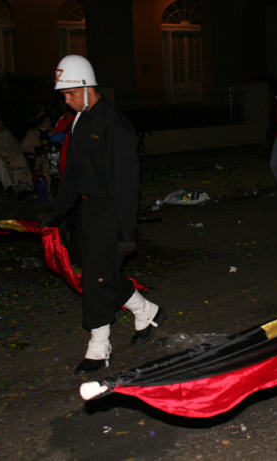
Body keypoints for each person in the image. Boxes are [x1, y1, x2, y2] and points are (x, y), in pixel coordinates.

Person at [37, 54, 165, 376]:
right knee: (102, 271)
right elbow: (73, 177)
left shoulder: (113, 124)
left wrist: (127, 234)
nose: (66, 101)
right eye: (63, 95)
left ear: (86, 87)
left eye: (69, 94)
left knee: (95, 278)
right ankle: (146, 310)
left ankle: (99, 344)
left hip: (111, 208)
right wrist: (54, 213)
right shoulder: (79, 122)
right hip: (89, 209)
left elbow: (127, 183)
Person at [21, 112, 53, 180]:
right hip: (36, 159)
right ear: (41, 123)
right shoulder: (32, 133)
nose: (49, 123)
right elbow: (24, 146)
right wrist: (35, 149)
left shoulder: (53, 132)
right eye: (46, 122)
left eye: (49, 121)